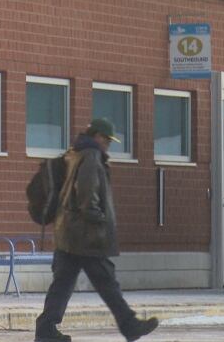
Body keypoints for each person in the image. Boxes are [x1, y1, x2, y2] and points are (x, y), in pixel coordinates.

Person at [35, 118, 158, 342]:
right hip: (86, 235)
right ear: (98, 136)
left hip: (68, 233)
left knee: (62, 284)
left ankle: (46, 330)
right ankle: (129, 325)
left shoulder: (75, 153)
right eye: (107, 140)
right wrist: (97, 218)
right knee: (106, 282)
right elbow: (86, 192)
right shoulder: (91, 156)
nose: (108, 145)